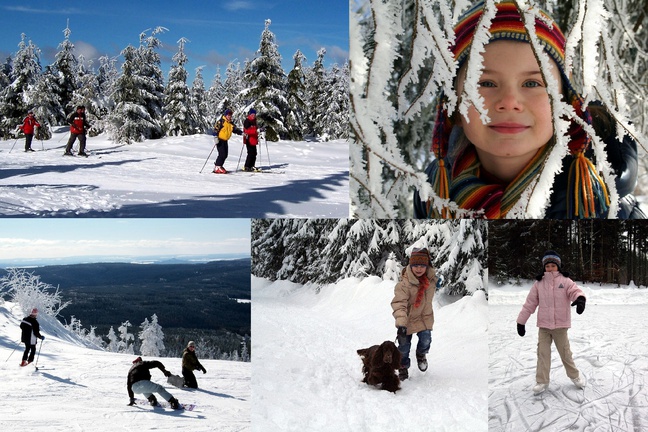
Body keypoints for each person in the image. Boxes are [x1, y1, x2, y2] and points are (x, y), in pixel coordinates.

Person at [413, 1, 644, 219]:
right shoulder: (432, 195)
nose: (510, 101)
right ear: (453, 106)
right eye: (485, 83)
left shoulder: (605, 206)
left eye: (532, 83)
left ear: (565, 103)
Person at [516, 250, 587, 395]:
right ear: (544, 267)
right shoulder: (539, 283)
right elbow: (530, 303)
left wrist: (580, 299)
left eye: (553, 266)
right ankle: (542, 381)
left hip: (560, 326)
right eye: (547, 266)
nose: (550, 268)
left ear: (558, 266)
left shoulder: (565, 281)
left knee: (565, 354)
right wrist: (521, 322)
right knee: (542, 354)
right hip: (544, 327)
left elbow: (575, 291)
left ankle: (575, 376)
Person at [391, 247, 438, 380]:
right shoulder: (404, 285)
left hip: (424, 318)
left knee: (426, 340)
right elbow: (399, 304)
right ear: (410, 265)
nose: (418, 269)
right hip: (407, 321)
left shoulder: (431, 281)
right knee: (404, 347)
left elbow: (436, 282)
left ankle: (421, 354)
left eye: (422, 265)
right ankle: (403, 366)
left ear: (427, 266)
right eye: (415, 265)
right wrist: (401, 323)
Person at [212, 109, 243, 174]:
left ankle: (219, 166)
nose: (229, 117)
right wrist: (215, 137)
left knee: (225, 154)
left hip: (225, 141)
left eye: (230, 115)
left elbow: (235, 130)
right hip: (220, 140)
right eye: (228, 115)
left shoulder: (230, 123)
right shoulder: (221, 121)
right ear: (225, 115)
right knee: (222, 154)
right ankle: (217, 167)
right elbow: (215, 129)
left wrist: (242, 133)